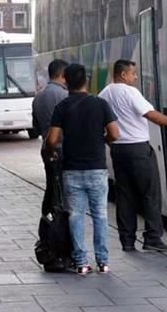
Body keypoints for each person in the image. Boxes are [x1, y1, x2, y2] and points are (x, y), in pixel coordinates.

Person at [99, 59, 167, 252]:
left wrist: (108, 140)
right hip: (138, 150)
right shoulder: (130, 92)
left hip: (118, 150)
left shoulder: (104, 93)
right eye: (133, 73)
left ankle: (127, 240)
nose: (136, 77)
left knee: (125, 196)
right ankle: (153, 238)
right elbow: (151, 114)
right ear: (123, 74)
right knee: (151, 194)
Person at [46, 63, 120, 275]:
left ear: (66, 81)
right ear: (86, 80)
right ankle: (103, 262)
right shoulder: (100, 104)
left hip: (72, 170)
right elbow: (115, 134)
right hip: (96, 168)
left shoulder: (62, 107)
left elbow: (52, 139)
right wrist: (103, 139)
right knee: (100, 216)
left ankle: (81, 263)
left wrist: (53, 151)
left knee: (76, 216)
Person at [32, 59, 68, 215]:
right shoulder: (65, 96)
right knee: (62, 190)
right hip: (62, 148)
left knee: (51, 186)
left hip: (46, 148)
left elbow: (35, 127)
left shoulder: (37, 98)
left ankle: (47, 219)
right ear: (62, 74)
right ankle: (59, 221)